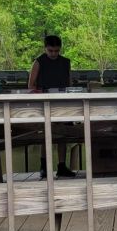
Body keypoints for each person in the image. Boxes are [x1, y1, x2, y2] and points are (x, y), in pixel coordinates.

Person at [28, 35, 76, 177]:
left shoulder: (66, 62)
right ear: (45, 49)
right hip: (45, 102)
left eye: (56, 51)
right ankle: (44, 166)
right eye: (50, 51)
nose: (54, 54)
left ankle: (61, 165)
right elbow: (31, 85)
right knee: (46, 134)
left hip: (62, 102)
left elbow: (70, 83)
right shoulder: (38, 62)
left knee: (63, 133)